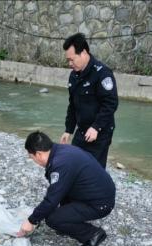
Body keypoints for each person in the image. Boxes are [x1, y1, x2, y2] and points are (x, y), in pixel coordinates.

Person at [17, 131, 116, 246]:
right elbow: (58, 193)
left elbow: (51, 200)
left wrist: (31, 221)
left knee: (53, 219)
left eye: (32, 158)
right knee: (53, 209)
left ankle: (93, 234)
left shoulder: (60, 164)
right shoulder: (60, 151)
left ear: (38, 154)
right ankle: (67, 223)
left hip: (100, 203)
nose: (35, 162)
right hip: (96, 193)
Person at [60, 33, 118, 168]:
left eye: (72, 59)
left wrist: (96, 127)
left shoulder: (102, 73)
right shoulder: (74, 76)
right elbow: (73, 105)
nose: (70, 64)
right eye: (67, 60)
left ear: (83, 53)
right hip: (82, 131)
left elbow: (111, 103)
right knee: (74, 163)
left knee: (93, 170)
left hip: (100, 132)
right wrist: (68, 130)